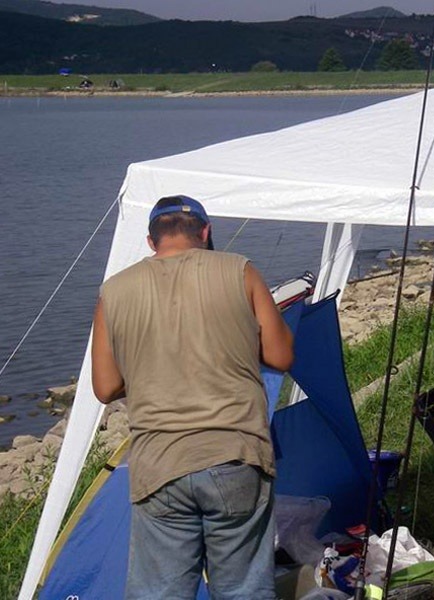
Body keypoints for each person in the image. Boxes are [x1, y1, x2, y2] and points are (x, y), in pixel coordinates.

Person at [91, 195, 294, 599]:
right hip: (236, 452)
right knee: (243, 591)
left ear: (152, 242)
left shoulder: (113, 292)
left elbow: (105, 387)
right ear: (205, 232)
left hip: (160, 464)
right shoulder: (240, 270)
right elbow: (281, 355)